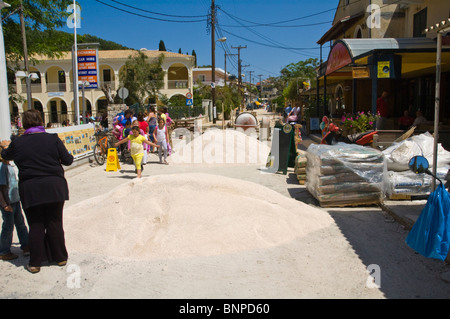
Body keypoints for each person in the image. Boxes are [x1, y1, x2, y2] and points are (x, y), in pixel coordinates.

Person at [0, 109, 74, 274]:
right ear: (40, 121)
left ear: (24, 124)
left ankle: (35, 263)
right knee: (55, 222)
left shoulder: (18, 142)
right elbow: (68, 161)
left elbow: (6, 154)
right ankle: (60, 257)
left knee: (36, 225)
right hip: (54, 187)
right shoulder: (53, 139)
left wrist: (5, 145)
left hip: (31, 189)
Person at [0, 153, 29, 261]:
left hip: (15, 200)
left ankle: (26, 245)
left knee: (20, 223)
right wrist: (5, 205)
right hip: (8, 203)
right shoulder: (2, 167)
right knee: (8, 226)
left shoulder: (9, 165)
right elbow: (1, 188)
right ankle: (4, 251)